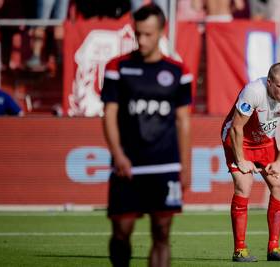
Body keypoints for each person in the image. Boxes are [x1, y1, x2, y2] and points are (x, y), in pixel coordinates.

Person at [101, 4, 192, 267]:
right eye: (138, 34)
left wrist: (185, 166)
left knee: (162, 232)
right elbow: (108, 115)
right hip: (128, 164)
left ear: (161, 32)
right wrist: (117, 154)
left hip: (164, 164)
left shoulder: (178, 71)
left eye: (148, 34)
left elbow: (183, 121)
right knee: (121, 232)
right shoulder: (117, 68)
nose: (142, 40)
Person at [221, 62, 280, 262]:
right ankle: (240, 249)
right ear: (269, 82)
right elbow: (236, 128)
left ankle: (274, 247)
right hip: (239, 139)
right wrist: (241, 160)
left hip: (265, 141)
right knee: (244, 185)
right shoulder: (253, 91)